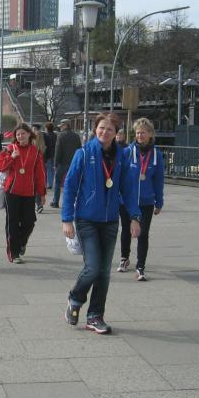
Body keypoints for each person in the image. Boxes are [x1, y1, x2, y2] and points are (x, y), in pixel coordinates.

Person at [62, 113, 141, 334]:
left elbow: (128, 189)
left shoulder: (122, 156)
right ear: (95, 129)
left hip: (110, 221)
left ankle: (95, 316)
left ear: (116, 133)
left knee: (104, 272)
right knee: (93, 267)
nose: (104, 132)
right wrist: (67, 219)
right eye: (101, 128)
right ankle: (75, 299)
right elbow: (70, 186)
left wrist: (135, 217)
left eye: (109, 129)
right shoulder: (83, 153)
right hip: (86, 219)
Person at [118, 117, 164, 281]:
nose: (140, 136)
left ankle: (140, 266)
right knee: (126, 230)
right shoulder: (127, 152)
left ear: (150, 134)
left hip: (146, 201)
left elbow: (158, 180)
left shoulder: (157, 155)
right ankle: (124, 258)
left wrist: (159, 201)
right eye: (137, 133)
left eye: (143, 133)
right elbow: (119, 176)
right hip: (127, 201)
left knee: (143, 233)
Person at [0, 122, 46, 264]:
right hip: (12, 191)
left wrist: (42, 194)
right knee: (12, 222)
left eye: (23, 133)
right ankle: (14, 253)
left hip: (29, 192)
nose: (20, 136)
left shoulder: (35, 152)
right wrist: (11, 157)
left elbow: (40, 174)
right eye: (18, 134)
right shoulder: (10, 148)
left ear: (29, 134)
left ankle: (21, 242)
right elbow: (0, 166)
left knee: (29, 222)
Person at [50, 119, 82, 208]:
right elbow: (80, 150)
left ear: (65, 125)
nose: (60, 128)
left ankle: (56, 202)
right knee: (72, 183)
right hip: (73, 163)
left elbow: (58, 150)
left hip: (62, 163)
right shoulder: (76, 136)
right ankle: (71, 202)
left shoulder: (61, 136)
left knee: (58, 182)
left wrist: (55, 164)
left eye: (61, 126)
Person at [43, 121, 57, 190]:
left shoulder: (46, 136)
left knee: (48, 169)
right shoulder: (55, 135)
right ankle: (51, 183)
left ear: (47, 128)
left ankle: (49, 184)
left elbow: (46, 146)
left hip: (48, 154)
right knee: (52, 169)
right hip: (54, 153)